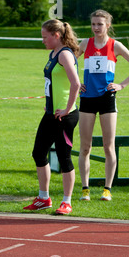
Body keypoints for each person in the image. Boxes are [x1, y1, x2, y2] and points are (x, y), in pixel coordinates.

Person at [23, 19, 80, 215]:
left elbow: (76, 84)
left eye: (45, 37)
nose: (43, 40)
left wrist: (66, 109)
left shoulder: (64, 54)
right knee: (39, 153)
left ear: (56, 36)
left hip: (64, 115)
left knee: (64, 158)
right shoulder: (53, 53)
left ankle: (67, 201)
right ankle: (44, 197)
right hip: (50, 113)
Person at [77, 9, 129, 201]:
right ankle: (85, 189)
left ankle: (107, 189)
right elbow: (65, 62)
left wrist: (122, 85)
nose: (96, 28)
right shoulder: (85, 43)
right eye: (93, 24)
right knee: (85, 146)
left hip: (107, 98)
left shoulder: (115, 45)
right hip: (87, 98)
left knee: (109, 146)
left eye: (100, 24)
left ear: (108, 25)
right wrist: (76, 82)